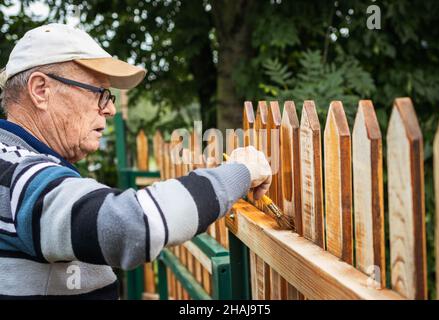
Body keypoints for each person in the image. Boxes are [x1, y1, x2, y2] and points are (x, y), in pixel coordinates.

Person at [0, 23, 272, 299]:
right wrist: (242, 172)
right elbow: (129, 225)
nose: (109, 109)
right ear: (41, 90)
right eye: (99, 92)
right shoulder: (18, 172)